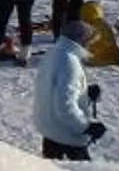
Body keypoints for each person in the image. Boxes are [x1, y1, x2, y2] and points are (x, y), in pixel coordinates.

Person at [35, 17, 103, 160]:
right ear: (82, 41)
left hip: (50, 132)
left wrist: (84, 92)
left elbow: (52, 88)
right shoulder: (69, 62)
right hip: (66, 137)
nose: (90, 46)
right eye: (90, 42)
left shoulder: (54, 53)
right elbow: (64, 106)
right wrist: (86, 127)